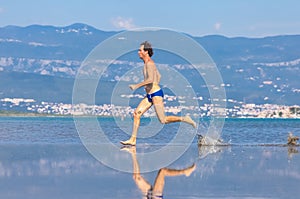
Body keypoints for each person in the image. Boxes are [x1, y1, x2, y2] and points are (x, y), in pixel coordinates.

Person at [120, 41, 196, 146]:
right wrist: (149, 87)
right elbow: (158, 76)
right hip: (150, 95)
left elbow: (151, 79)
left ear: (146, 52)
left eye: (140, 50)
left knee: (163, 120)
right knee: (136, 114)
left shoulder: (150, 64)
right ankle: (133, 140)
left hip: (156, 95)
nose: (138, 52)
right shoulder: (147, 64)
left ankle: (185, 119)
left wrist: (137, 86)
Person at [121, 146, 196, 198]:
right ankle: (185, 172)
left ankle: (133, 153)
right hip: (155, 196)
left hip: (148, 195)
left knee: (136, 177)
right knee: (162, 172)